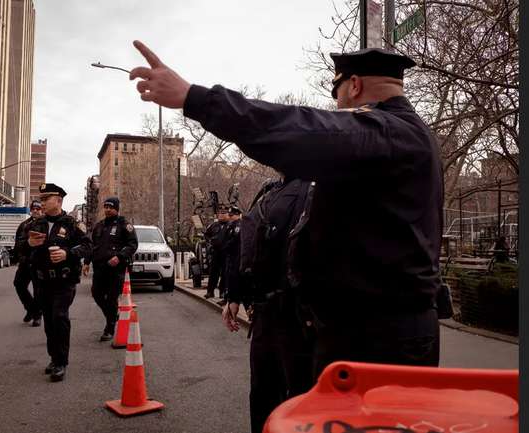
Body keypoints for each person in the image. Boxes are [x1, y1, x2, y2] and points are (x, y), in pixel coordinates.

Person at [130, 40, 443, 426]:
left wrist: (194, 98)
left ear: (354, 85)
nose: (338, 103)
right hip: (362, 330)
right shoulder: (397, 135)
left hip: (378, 339)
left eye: (337, 91)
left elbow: (303, 130)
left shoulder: (389, 132)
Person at [223, 177, 316, 433]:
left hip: (298, 317)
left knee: (299, 399)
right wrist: (234, 295)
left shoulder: (315, 188)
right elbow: (247, 245)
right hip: (266, 313)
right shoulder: (269, 192)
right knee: (263, 393)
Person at [27, 183, 92, 382]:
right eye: (42, 199)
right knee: (48, 322)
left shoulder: (71, 224)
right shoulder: (35, 224)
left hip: (64, 282)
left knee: (59, 317)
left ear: (59, 200)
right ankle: (54, 358)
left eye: (47, 199)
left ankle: (61, 362)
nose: (43, 203)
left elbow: (88, 246)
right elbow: (19, 247)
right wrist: (28, 244)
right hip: (42, 281)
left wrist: (68, 253)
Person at [82, 197, 138, 341]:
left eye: (110, 207)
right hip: (99, 267)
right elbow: (92, 246)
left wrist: (119, 256)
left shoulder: (124, 225)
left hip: (115, 268)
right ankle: (113, 316)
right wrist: (87, 262)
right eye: (105, 207)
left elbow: (132, 245)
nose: (107, 209)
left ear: (116, 209)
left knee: (112, 298)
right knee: (96, 294)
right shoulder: (99, 226)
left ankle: (109, 328)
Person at [12, 200, 44, 327]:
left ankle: (37, 315)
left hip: (39, 263)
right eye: (33, 208)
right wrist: (18, 257)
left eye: (38, 208)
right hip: (25, 262)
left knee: (38, 290)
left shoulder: (45, 223)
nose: (35, 210)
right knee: (18, 284)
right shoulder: (24, 224)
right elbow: (18, 243)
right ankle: (31, 309)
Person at [203, 207, 229, 300]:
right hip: (216, 252)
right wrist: (209, 243)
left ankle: (222, 292)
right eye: (220, 213)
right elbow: (206, 234)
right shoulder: (213, 225)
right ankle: (210, 291)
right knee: (213, 272)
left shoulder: (230, 225)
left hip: (226, 252)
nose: (221, 215)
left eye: (224, 213)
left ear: (228, 215)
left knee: (225, 273)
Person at [219, 205, 243, 307]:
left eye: (231, 215)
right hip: (230, 256)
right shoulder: (230, 225)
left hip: (236, 255)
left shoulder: (238, 225)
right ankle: (228, 298)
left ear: (237, 215)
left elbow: (234, 240)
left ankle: (233, 299)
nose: (230, 217)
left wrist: (226, 246)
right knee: (227, 277)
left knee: (234, 278)